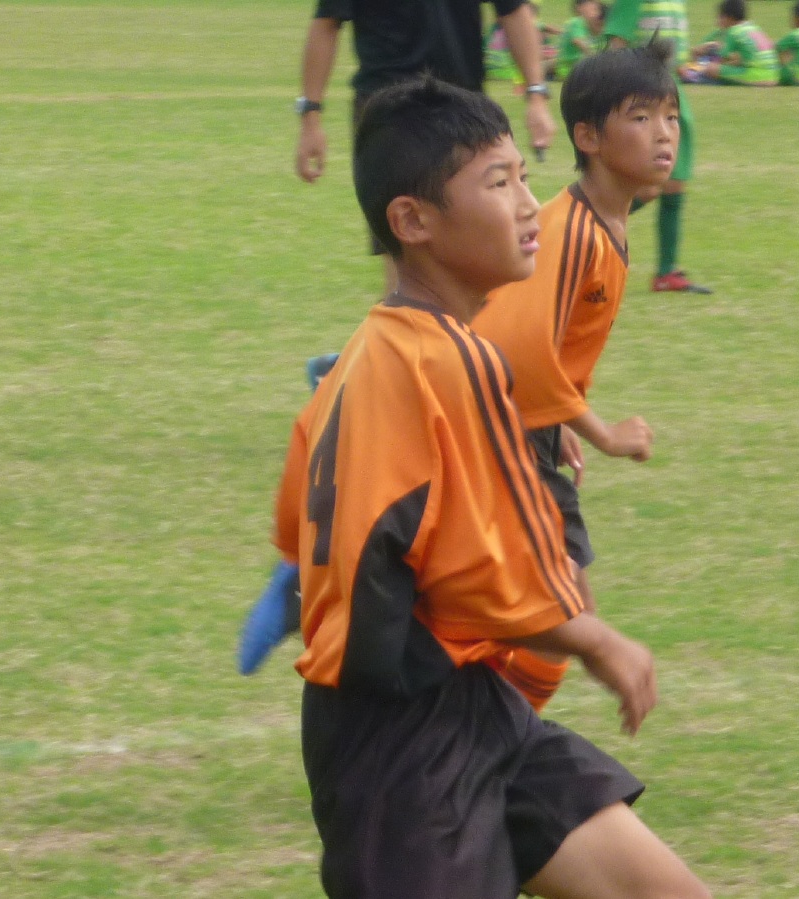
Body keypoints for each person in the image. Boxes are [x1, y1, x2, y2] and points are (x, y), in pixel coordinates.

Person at [274, 75, 711, 899]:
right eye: (499, 183)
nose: (528, 205)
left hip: (477, 706)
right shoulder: (452, 362)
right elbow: (490, 574)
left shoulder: (365, 357)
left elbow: (303, 520)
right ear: (414, 221)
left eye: (524, 177)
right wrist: (599, 641)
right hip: (400, 746)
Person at [471, 38, 679, 705]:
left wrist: (556, 416)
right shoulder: (572, 231)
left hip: (517, 431)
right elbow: (519, 348)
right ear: (587, 136)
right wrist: (601, 432)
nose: (664, 134)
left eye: (670, 116)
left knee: (545, 617)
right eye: (641, 117)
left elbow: (545, 350)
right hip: (494, 438)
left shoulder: (605, 223)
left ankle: (486, 744)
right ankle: (488, 752)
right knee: (565, 615)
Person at [294, 0, 556, 289]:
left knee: (480, 240)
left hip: (463, 108)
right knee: (405, 250)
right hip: (390, 113)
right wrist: (311, 119)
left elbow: (513, 10)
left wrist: (536, 94)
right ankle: (409, 317)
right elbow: (327, 22)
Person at [604, 0, 712, 294]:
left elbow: (677, 54)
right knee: (650, 188)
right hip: (643, 96)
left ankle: (666, 273)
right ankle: (581, 231)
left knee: (675, 182)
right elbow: (615, 48)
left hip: (671, 94)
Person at [694, 0, 779, 87]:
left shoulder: (734, 31)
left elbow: (721, 59)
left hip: (757, 76)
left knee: (711, 68)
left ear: (728, 17)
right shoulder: (754, 28)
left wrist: (708, 50)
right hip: (774, 76)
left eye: (721, 17)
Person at [556, 0, 606, 81]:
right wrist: (596, 59)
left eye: (597, 9)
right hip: (570, 69)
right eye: (593, 8)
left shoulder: (593, 26)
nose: (596, 13)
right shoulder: (577, 22)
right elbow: (578, 41)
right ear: (579, 8)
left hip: (583, 67)